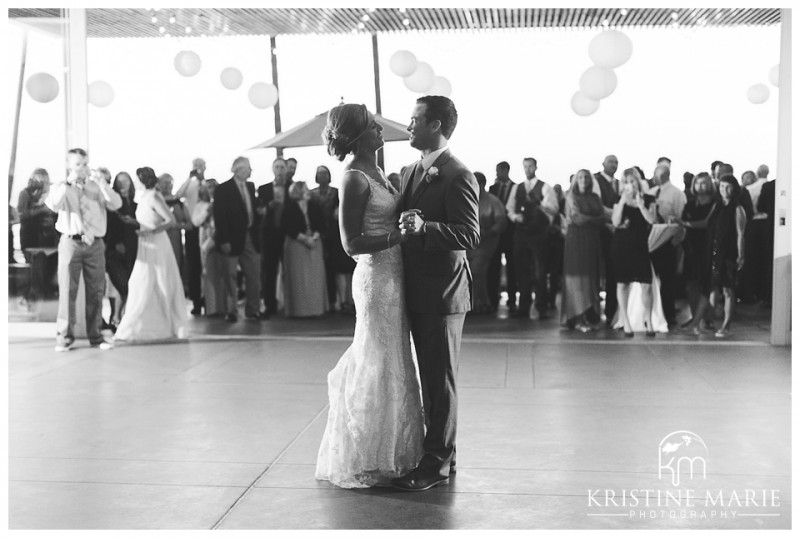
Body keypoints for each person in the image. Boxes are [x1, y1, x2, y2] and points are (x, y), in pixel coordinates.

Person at [316, 103, 425, 488]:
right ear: (359, 136)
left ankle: (398, 447)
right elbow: (350, 243)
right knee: (376, 356)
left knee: (394, 355)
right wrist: (400, 235)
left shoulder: (377, 171)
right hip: (376, 280)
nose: (381, 131)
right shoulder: (354, 178)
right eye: (374, 127)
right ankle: (368, 453)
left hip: (395, 274)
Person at [394, 95, 480, 491]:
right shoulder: (410, 170)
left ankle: (437, 463)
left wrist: (425, 227)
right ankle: (444, 452)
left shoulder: (458, 174)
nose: (409, 126)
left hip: (444, 293)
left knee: (439, 378)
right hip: (415, 288)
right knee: (427, 376)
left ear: (437, 125)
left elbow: (469, 233)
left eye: (415, 120)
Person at [45, 148, 121, 351]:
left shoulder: (96, 186)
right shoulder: (62, 186)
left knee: (96, 291)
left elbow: (116, 204)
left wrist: (103, 184)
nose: (82, 168)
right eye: (77, 164)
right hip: (71, 242)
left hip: (95, 244)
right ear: (69, 165)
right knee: (68, 290)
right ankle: (64, 337)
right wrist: (69, 183)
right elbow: (53, 204)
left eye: (84, 163)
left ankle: (96, 336)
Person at [115, 167, 188, 341]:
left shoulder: (155, 196)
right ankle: (142, 321)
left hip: (157, 244)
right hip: (145, 244)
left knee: (156, 281)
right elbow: (148, 219)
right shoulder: (144, 197)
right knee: (141, 282)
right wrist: (133, 222)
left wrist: (151, 232)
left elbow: (171, 221)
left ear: (142, 180)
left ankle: (155, 322)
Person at [686, 175, 746, 338]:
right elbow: (706, 223)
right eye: (721, 186)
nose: (724, 190)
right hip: (713, 252)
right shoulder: (717, 205)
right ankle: (695, 323)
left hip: (728, 254)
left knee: (727, 289)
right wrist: (685, 223)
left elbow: (741, 235)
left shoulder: (737, 209)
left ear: (734, 188)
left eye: (728, 187)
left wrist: (741, 256)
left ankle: (726, 325)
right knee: (708, 288)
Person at [506, 157, 558, 320]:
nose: (527, 169)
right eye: (525, 166)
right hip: (521, 233)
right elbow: (509, 208)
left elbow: (554, 210)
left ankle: (541, 307)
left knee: (540, 271)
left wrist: (540, 204)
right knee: (522, 271)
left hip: (538, 234)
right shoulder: (517, 188)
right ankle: (523, 307)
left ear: (536, 167)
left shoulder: (545, 187)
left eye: (530, 166)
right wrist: (515, 217)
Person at [610, 168, 658, 336]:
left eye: (632, 181)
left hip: (640, 245)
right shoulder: (618, 199)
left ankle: (649, 321)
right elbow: (615, 222)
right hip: (621, 245)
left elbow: (652, 220)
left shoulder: (649, 199)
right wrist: (623, 201)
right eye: (626, 182)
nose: (630, 185)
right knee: (622, 283)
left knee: (646, 285)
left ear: (638, 182)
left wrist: (640, 205)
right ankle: (626, 322)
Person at [214, 157, 262, 322]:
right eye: (249, 168)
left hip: (250, 236)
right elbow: (219, 216)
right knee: (230, 276)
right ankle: (231, 310)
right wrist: (224, 240)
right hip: (231, 239)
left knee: (254, 274)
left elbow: (251, 209)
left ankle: (253, 309)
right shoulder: (223, 189)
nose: (250, 171)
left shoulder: (250, 186)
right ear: (239, 170)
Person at [561, 169, 605, 332]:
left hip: (592, 240)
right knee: (577, 278)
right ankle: (578, 318)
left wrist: (591, 219)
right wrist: (595, 220)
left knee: (591, 278)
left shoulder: (595, 198)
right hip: (576, 241)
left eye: (586, 177)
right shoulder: (571, 197)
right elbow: (576, 219)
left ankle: (590, 316)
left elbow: (602, 218)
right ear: (575, 180)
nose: (584, 180)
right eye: (580, 177)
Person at [281, 181, 328, 318]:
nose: (309, 191)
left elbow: (322, 223)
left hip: (314, 243)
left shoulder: (314, 207)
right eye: (305, 189)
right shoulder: (289, 208)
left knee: (315, 277)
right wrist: (303, 238)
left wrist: (314, 237)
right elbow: (287, 226)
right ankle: (298, 311)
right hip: (296, 244)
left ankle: (315, 309)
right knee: (298, 278)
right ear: (298, 192)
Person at [648, 164, 686, 327]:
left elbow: (681, 218)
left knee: (667, 280)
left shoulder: (677, 194)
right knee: (649, 279)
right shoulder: (650, 193)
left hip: (667, 241)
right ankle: (652, 312)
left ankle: (668, 313)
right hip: (651, 240)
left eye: (657, 175)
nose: (655, 178)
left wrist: (676, 240)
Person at [679, 172, 717, 330]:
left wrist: (685, 223)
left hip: (707, 248)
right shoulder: (690, 204)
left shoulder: (715, 204)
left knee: (706, 284)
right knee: (691, 284)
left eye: (704, 183)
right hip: (690, 248)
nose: (700, 187)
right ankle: (695, 317)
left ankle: (706, 318)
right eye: (698, 183)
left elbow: (706, 224)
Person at [467, 171, 507, 314]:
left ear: (482, 184)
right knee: (470, 273)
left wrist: (488, 231)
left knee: (477, 270)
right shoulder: (466, 199)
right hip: (469, 244)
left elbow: (501, 222)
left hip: (486, 243)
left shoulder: (493, 201)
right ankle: (480, 302)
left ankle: (477, 303)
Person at [104, 171, 139, 328]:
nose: (122, 184)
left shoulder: (135, 201)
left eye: (125, 181)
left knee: (130, 283)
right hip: (116, 247)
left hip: (134, 246)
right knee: (119, 283)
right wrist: (117, 242)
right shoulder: (113, 202)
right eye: (119, 182)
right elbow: (111, 224)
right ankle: (115, 316)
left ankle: (122, 317)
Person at [174, 158, 207, 315]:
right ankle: (196, 301)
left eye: (200, 166)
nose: (198, 169)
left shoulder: (208, 184)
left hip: (206, 228)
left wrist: (203, 180)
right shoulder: (190, 184)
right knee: (194, 266)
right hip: (192, 228)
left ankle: (209, 299)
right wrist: (190, 177)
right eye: (196, 166)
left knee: (206, 266)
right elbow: (178, 195)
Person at [257, 157, 289, 317]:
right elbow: (258, 210)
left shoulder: (292, 187)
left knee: (289, 269)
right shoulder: (263, 189)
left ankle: (290, 305)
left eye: (282, 167)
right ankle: (269, 305)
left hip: (288, 234)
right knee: (269, 271)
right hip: (269, 235)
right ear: (273, 169)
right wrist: (266, 208)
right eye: (277, 167)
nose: (280, 170)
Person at [191, 178, 227, 317]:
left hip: (220, 238)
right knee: (208, 273)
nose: (211, 189)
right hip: (206, 241)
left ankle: (223, 306)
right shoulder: (201, 205)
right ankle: (211, 307)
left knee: (222, 272)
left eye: (213, 187)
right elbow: (196, 222)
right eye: (208, 187)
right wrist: (207, 211)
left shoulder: (222, 203)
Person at [593, 155, 620, 325]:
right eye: (610, 162)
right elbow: (597, 205)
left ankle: (612, 310)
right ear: (603, 163)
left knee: (613, 272)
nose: (614, 165)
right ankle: (594, 310)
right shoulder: (596, 181)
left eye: (616, 162)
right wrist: (615, 215)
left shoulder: (618, 183)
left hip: (616, 233)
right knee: (597, 270)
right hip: (600, 230)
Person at [487, 161, 517, 312]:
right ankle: (493, 299)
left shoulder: (515, 188)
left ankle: (512, 300)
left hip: (511, 234)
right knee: (494, 266)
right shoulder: (493, 188)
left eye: (498, 171)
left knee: (512, 267)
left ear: (506, 170)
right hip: (496, 234)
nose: (497, 174)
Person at [310, 165, 340, 311]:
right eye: (319, 174)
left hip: (333, 235)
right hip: (317, 233)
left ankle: (333, 300)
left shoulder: (336, 193)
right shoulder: (311, 194)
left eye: (325, 173)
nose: (322, 176)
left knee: (332, 268)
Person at [18, 168, 57, 261]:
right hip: (31, 236)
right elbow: (22, 216)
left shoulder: (52, 193)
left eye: (46, 182)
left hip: (50, 238)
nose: (44, 184)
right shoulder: (25, 194)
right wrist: (42, 208)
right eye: (41, 181)